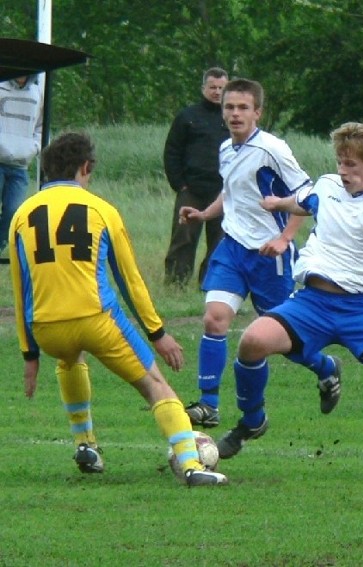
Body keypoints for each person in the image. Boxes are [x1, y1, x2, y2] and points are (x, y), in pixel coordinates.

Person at [215, 122, 363, 480]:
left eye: (351, 165)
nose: (343, 171)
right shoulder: (327, 185)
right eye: (340, 163)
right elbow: (303, 202)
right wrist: (278, 202)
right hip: (311, 304)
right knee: (252, 341)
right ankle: (252, 421)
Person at [8, 131, 227, 487]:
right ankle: (191, 466)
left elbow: (21, 289)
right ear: (86, 166)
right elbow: (130, 281)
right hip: (97, 319)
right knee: (156, 386)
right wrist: (158, 334)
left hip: (46, 327)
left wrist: (29, 354)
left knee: (69, 359)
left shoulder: (22, 215)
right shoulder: (101, 210)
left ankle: (85, 444)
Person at [179, 78, 341, 429]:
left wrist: (285, 238)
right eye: (229, 107)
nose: (235, 114)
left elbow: (307, 195)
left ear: (258, 112)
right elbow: (232, 191)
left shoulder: (272, 149)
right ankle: (209, 405)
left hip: (270, 257)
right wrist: (206, 214)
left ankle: (326, 367)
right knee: (214, 319)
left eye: (242, 108)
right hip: (233, 248)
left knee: (283, 340)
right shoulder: (226, 148)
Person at [163, 67, 229, 286]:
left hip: (222, 191)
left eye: (221, 88)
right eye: (212, 87)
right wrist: (179, 185)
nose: (217, 92)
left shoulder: (232, 118)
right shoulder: (187, 117)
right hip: (191, 189)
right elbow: (172, 151)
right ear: (203, 88)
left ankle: (210, 283)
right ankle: (175, 282)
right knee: (183, 237)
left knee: (220, 240)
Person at [0, 75, 43, 254]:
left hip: (20, 166)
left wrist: (33, 147)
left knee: (13, 211)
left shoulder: (36, 93)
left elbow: (40, 126)